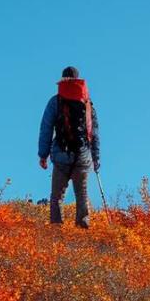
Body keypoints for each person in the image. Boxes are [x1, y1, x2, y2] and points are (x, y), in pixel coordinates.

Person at [38, 66, 101, 228]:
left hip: (61, 155)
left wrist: (43, 154)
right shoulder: (87, 104)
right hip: (82, 156)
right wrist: (96, 159)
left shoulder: (55, 101)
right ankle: (83, 227)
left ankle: (56, 228)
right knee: (82, 194)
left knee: (57, 196)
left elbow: (46, 127)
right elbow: (93, 133)